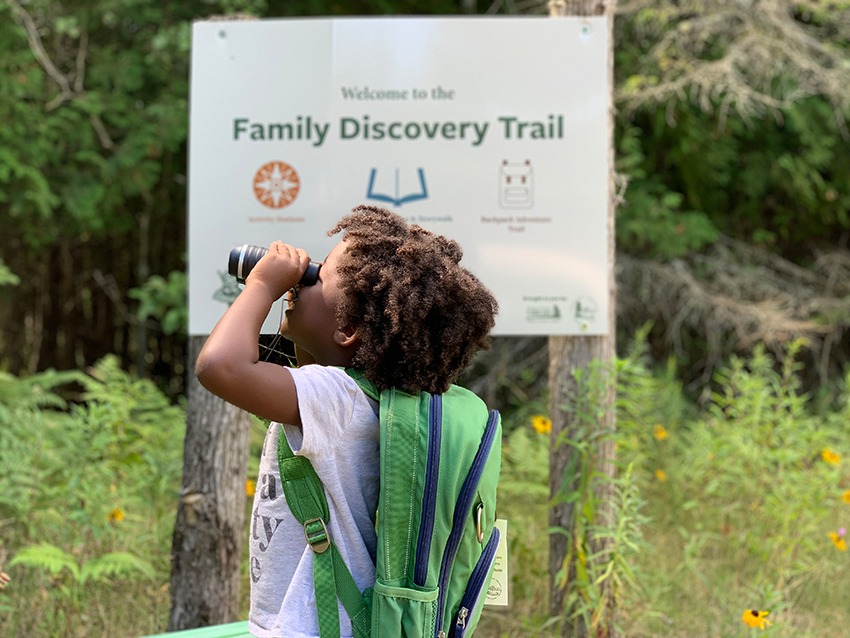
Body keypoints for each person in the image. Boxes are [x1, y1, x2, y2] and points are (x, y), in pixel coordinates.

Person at [196, 204, 498, 638]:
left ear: (348, 329)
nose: (303, 276)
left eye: (320, 275)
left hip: (308, 625)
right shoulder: (361, 399)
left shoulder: (334, 401)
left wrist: (262, 285)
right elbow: (307, 366)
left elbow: (220, 367)